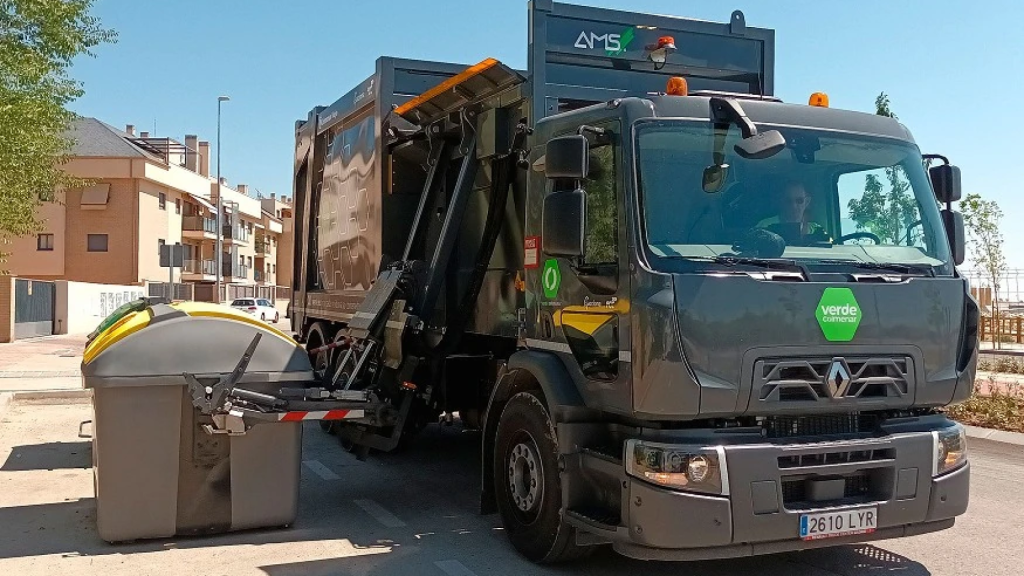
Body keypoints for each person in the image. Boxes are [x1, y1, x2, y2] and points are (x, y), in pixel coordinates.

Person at [755, 181, 829, 243]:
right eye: (788, 201)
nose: (794, 206)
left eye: (799, 200)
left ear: (807, 202)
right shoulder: (764, 226)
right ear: (781, 201)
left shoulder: (817, 230)